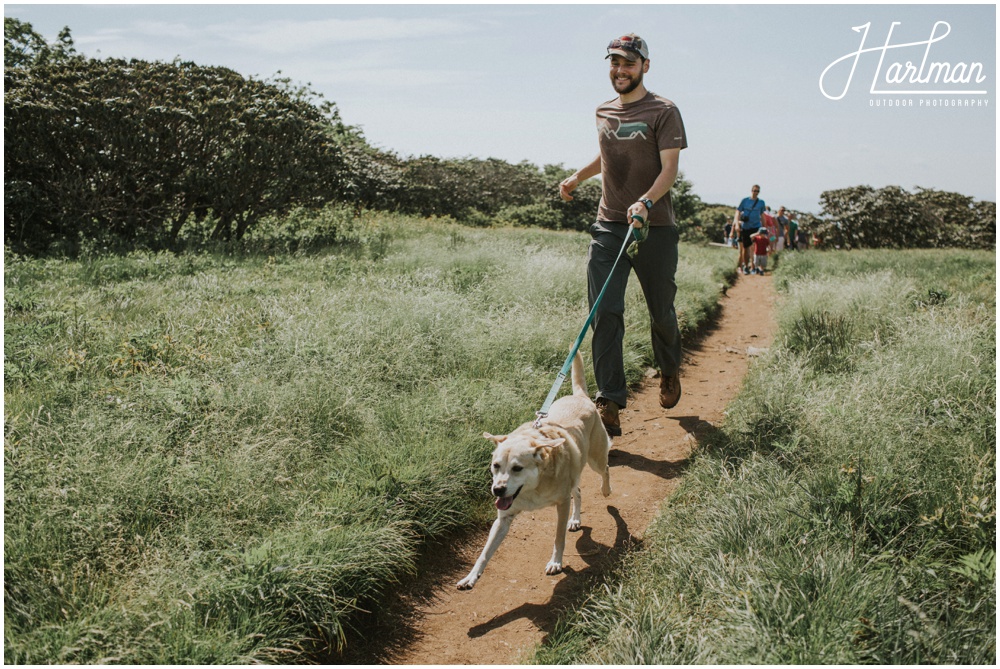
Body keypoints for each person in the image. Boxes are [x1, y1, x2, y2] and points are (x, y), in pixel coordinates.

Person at [558, 33, 687, 437]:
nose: (620, 70)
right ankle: (609, 401)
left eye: (629, 63)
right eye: (615, 62)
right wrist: (578, 176)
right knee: (604, 312)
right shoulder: (602, 110)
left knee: (661, 311)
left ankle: (668, 369)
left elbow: (669, 169)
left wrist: (646, 201)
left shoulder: (664, 110)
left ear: (645, 66)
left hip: (655, 227)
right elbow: (608, 153)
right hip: (609, 224)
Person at [735, 185, 765, 274]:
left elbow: (762, 215)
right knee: (746, 247)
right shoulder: (745, 201)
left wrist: (764, 226)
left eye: (757, 191)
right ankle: (746, 266)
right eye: (754, 190)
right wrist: (737, 224)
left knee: (755, 247)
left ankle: (755, 267)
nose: (755, 192)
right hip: (746, 227)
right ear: (751, 190)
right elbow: (737, 212)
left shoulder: (761, 202)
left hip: (756, 226)